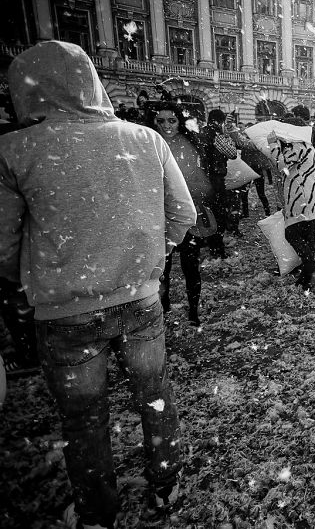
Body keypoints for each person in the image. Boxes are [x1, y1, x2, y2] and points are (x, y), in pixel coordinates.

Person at [0, 40, 196, 528]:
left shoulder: (15, 149)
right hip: (139, 296)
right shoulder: (145, 139)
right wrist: (152, 256)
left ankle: (96, 511)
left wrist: (29, 282)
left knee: (84, 417)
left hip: (64, 308)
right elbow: (183, 214)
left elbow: (2, 244)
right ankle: (166, 481)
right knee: (154, 390)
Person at [154, 105, 215, 326]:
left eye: (171, 120)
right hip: (158, 216)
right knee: (162, 267)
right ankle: (164, 304)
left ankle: (193, 310)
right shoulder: (149, 143)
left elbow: (199, 181)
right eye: (161, 121)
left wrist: (185, 194)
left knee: (190, 265)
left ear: (179, 122)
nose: (166, 126)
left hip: (187, 215)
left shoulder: (187, 144)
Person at [268, 113, 315, 290]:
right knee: (307, 236)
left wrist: (273, 145)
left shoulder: (296, 146)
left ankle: (312, 270)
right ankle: (308, 274)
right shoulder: (308, 146)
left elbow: (281, 166)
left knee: (292, 233)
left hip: (300, 197)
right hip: (311, 196)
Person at [201, 109, 237, 257]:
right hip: (215, 179)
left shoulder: (200, 132)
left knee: (206, 213)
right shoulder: (217, 135)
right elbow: (232, 153)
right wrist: (227, 135)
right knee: (219, 214)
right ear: (220, 121)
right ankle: (217, 248)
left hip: (200, 179)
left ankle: (207, 241)